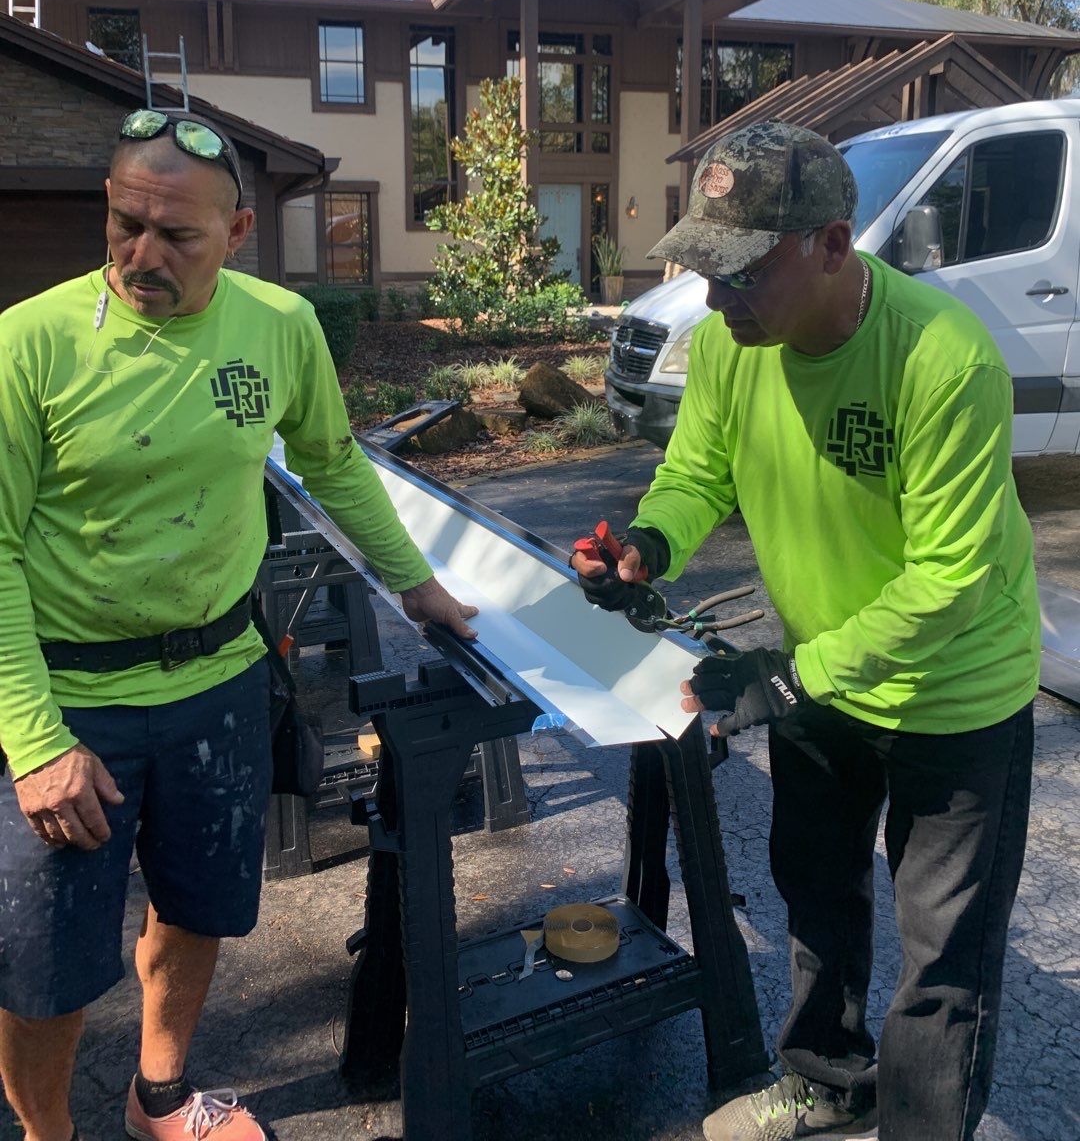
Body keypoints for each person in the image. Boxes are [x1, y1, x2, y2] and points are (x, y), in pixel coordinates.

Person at [0, 109, 478, 1141]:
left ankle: (159, 1098)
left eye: (178, 236)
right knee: (44, 966)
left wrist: (415, 584)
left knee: (197, 908)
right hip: (72, 699)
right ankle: (49, 1134)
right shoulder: (27, 345)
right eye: (126, 223)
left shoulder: (277, 326)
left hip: (218, 681)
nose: (141, 255)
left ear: (239, 231)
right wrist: (36, 741)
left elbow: (333, 460)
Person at [573, 120, 1038, 1141]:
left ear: (834, 244)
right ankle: (825, 1080)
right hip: (820, 680)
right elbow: (699, 471)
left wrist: (785, 680)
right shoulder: (735, 345)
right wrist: (649, 542)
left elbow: (951, 583)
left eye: (741, 274)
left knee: (943, 964)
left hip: (953, 694)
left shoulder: (943, 359)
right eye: (706, 270)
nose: (715, 299)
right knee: (818, 897)